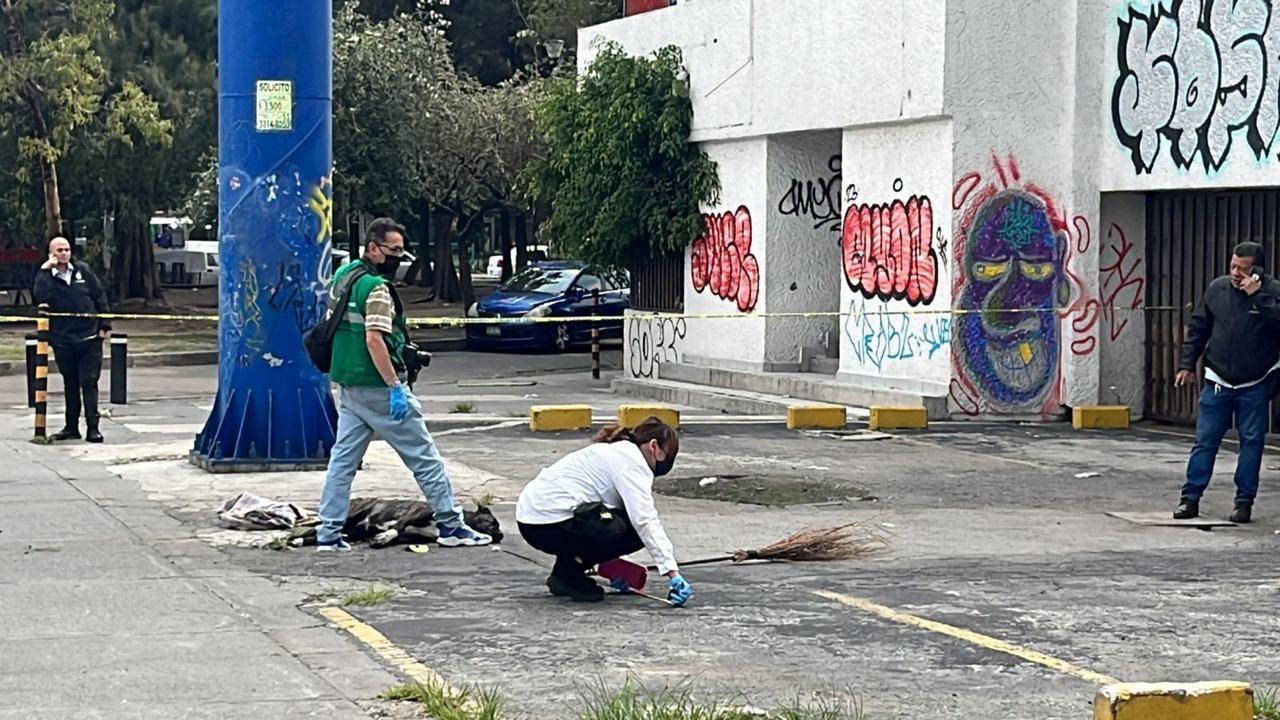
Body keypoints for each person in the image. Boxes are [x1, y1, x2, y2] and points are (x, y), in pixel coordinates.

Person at [316, 217, 492, 551]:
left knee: (342, 462)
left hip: (349, 384)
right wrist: (395, 385)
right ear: (373, 248)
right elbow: (374, 340)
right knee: (425, 458)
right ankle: (452, 527)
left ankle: (329, 532)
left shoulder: (344, 276)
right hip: (380, 388)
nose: (399, 256)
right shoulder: (377, 289)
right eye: (393, 250)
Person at [515, 416, 694, 605]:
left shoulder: (613, 450)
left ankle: (567, 571)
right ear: (653, 446)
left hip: (530, 518)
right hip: (548, 523)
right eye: (668, 455)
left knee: (613, 522)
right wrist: (673, 574)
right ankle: (568, 577)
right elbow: (645, 520)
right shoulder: (632, 464)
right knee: (631, 532)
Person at [1173, 242, 1280, 524]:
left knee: (1251, 443)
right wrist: (1187, 364)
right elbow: (1198, 328)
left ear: (1256, 270)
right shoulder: (1217, 289)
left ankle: (1244, 502)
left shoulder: (1272, 292)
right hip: (1218, 379)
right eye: (1233, 266)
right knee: (1205, 442)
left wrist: (1259, 298)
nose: (1235, 273)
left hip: (1254, 383)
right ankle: (1190, 498)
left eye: (1242, 269)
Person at [32, 236, 111, 443]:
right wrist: (44, 270)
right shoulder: (48, 276)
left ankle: (93, 428)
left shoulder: (82, 271)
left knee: (89, 382)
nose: (64, 253)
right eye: (59, 250)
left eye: (66, 249)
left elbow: (99, 296)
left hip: (90, 337)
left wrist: (104, 326)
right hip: (63, 339)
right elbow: (40, 296)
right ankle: (71, 427)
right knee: (71, 383)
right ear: (51, 253)